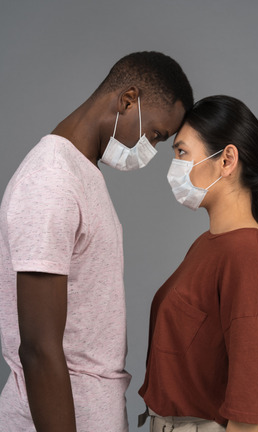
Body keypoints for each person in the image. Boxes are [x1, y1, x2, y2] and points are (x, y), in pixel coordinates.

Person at [0, 51, 193, 432]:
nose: (151, 151)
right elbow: (38, 349)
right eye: (155, 135)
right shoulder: (51, 180)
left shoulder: (81, 171)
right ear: (127, 100)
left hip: (92, 412)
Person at [139, 95, 258, 432]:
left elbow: (249, 402)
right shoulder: (208, 245)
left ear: (227, 160)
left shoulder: (247, 253)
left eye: (182, 153)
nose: (175, 166)